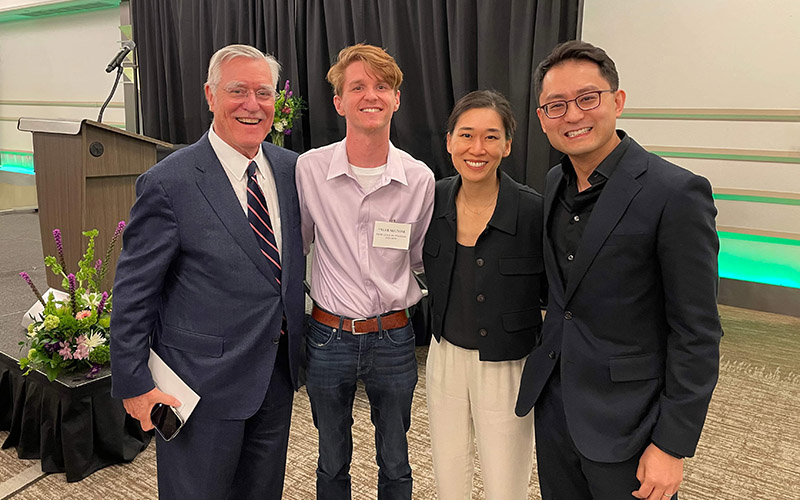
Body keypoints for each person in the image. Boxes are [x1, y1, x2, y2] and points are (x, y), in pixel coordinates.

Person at [515, 40, 723, 500]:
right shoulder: (553, 183)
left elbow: (697, 332)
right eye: (556, 105)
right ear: (541, 117)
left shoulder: (676, 193)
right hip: (556, 409)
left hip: (631, 423)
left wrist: (672, 445)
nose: (572, 115)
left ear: (617, 101)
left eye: (587, 98)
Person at [110, 44, 305, 500]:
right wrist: (135, 384)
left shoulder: (293, 169)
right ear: (210, 95)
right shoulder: (168, 182)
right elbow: (134, 292)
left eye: (263, 92)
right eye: (237, 91)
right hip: (197, 388)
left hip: (274, 378)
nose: (252, 104)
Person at [295, 43, 435, 500]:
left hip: (395, 338)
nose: (369, 95)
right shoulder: (310, 170)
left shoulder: (419, 179)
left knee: (396, 460)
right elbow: (297, 248)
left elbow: (419, 259)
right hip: (328, 335)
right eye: (357, 86)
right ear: (339, 101)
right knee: (331, 460)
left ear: (396, 98)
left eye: (381, 86)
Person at [422, 90, 547, 500]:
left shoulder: (532, 211)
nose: (478, 148)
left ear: (508, 145)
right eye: (466, 135)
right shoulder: (431, 199)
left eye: (491, 137)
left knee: (505, 477)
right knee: (448, 468)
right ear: (449, 141)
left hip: (508, 363)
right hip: (445, 356)